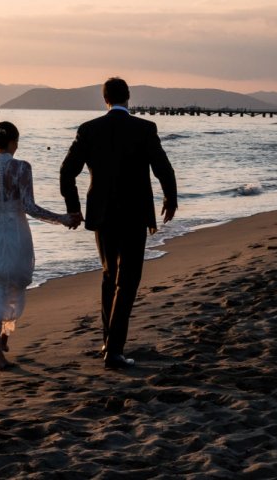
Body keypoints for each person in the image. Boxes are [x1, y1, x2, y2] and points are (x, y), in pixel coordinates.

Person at [60, 78, 177, 370]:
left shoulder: (88, 130)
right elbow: (163, 167)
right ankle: (114, 350)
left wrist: (74, 209)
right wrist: (170, 199)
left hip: (102, 214)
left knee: (109, 274)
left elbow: (66, 173)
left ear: (105, 100)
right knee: (128, 280)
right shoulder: (145, 128)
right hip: (135, 213)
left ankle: (107, 341)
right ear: (129, 98)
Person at [0, 121, 71, 370]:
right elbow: (30, 208)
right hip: (17, 235)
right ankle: (4, 338)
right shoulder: (22, 168)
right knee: (15, 284)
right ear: (14, 142)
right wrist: (62, 218)